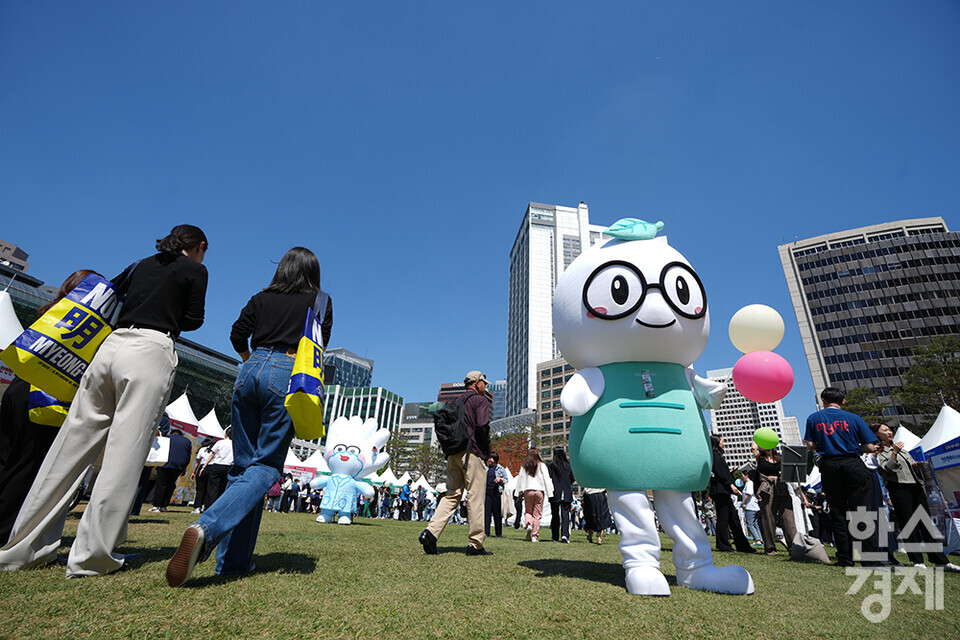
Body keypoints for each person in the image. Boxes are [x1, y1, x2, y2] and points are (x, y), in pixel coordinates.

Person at [0, 225, 208, 577]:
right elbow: (194, 319)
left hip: (110, 347)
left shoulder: (141, 263)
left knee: (67, 450)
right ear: (200, 247)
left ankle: (22, 549)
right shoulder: (195, 270)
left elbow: (110, 295)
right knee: (123, 456)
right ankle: (91, 557)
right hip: (150, 349)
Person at [166, 246, 332, 587]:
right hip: (288, 372)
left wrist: (251, 360)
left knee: (244, 469)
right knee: (267, 466)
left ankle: (234, 563)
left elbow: (236, 333)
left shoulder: (261, 297)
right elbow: (319, 345)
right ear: (313, 273)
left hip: (250, 367)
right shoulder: (319, 301)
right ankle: (206, 528)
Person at [0, 269, 100, 545]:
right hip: (43, 397)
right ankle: (6, 533)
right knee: (27, 468)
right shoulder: (87, 325)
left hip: (18, 388)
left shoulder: (51, 312)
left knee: (8, 459)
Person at [804, 387, 883, 568]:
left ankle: (845, 559)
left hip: (830, 466)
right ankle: (870, 559)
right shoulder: (854, 418)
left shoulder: (814, 418)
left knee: (838, 512)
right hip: (853, 464)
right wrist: (853, 447)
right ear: (843, 402)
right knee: (862, 511)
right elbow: (870, 447)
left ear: (823, 400)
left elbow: (810, 444)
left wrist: (826, 445)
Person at [419, 370, 492, 556]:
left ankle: (431, 532)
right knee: (475, 496)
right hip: (472, 453)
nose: (486, 386)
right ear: (477, 383)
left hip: (452, 454)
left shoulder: (455, 402)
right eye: (484, 383)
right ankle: (475, 544)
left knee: (452, 495)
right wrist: (488, 452)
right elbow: (483, 426)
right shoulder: (480, 400)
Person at [870, 423, 960, 571]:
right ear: (876, 435)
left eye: (889, 429)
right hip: (898, 488)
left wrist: (916, 466)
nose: (889, 432)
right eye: (884, 430)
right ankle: (917, 560)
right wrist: (894, 453)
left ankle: (940, 561)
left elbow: (910, 465)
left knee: (926, 523)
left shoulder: (903, 449)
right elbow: (888, 468)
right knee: (909, 524)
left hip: (915, 486)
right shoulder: (879, 452)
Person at [708, 436, 755, 554]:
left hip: (723, 490)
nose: (724, 443)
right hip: (721, 490)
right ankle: (723, 544)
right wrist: (731, 485)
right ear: (717, 443)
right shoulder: (715, 455)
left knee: (733, 518)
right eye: (722, 441)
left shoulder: (716, 456)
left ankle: (742, 545)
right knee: (724, 518)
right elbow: (721, 473)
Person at [752, 442, 797, 555]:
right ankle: (770, 548)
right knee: (768, 517)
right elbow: (753, 448)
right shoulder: (760, 458)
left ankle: (794, 547)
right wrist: (758, 438)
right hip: (767, 488)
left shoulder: (780, 458)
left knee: (788, 517)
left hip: (781, 487)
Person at [149, 428, 193, 512]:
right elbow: (188, 456)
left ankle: (157, 505)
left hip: (165, 464)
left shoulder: (167, 439)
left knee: (161, 485)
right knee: (171, 485)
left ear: (172, 433)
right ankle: (164, 505)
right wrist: (184, 468)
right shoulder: (187, 441)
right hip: (178, 466)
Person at [515, 448, 554, 543]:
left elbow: (520, 479)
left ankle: (528, 524)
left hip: (528, 490)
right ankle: (534, 536)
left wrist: (518, 492)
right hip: (539, 491)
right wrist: (550, 493)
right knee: (537, 515)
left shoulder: (524, 466)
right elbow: (546, 478)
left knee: (528, 511)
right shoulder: (542, 465)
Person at [547, 447, 575, 543]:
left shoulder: (551, 467)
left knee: (555, 515)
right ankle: (564, 535)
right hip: (566, 493)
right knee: (565, 515)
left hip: (555, 493)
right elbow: (573, 478)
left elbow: (548, 478)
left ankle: (555, 536)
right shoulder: (568, 466)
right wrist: (567, 484)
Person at [202, 428, 234, 509]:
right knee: (223, 488)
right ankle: (219, 507)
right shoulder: (235, 444)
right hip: (229, 466)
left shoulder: (220, 443)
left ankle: (209, 506)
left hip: (218, 465)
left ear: (226, 434)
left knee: (212, 488)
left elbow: (212, 455)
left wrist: (204, 465)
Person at [190, 437, 216, 514]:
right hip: (213, 468)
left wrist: (194, 472)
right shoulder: (216, 450)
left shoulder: (202, 449)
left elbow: (198, 461)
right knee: (209, 489)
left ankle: (197, 506)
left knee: (200, 489)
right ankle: (205, 505)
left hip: (203, 468)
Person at [484, 453, 506, 538]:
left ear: (495, 459)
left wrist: (500, 479)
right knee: (487, 513)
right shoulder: (486, 468)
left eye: (491, 458)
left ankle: (498, 533)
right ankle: (486, 532)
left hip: (496, 493)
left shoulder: (500, 468)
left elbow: (506, 479)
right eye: (489, 458)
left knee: (497, 514)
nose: (489, 460)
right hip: (487, 493)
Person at [740, 475, 763, 545]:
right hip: (755, 506)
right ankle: (760, 539)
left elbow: (748, 494)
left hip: (750, 506)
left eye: (742, 475)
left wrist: (743, 502)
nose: (742, 477)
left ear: (746, 476)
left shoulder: (749, 483)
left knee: (750, 524)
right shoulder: (752, 483)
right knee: (755, 524)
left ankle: (757, 540)